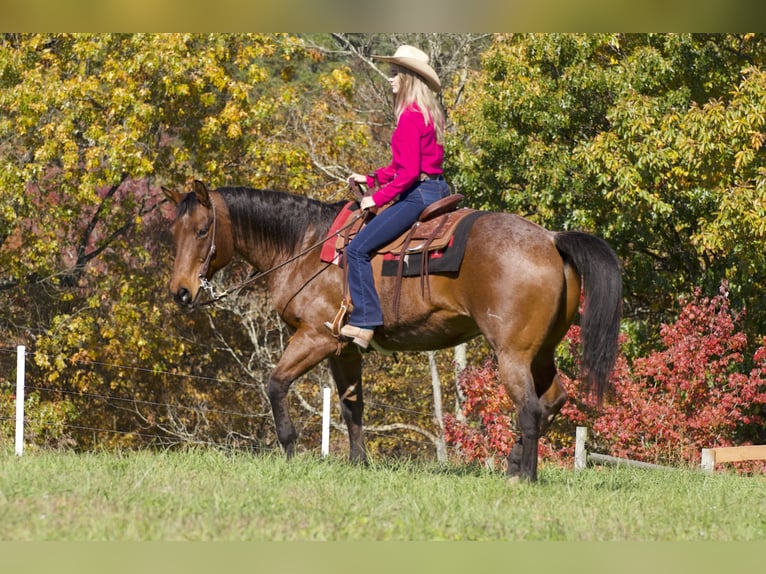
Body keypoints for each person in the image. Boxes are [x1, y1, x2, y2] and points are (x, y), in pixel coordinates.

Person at [330, 45, 450, 349]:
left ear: (409, 78)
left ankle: (365, 322)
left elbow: (408, 173)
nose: (390, 79)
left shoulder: (410, 117)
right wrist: (370, 179)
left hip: (418, 194)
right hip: (436, 188)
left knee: (356, 250)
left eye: (395, 74)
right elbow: (402, 165)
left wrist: (376, 197)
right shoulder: (427, 115)